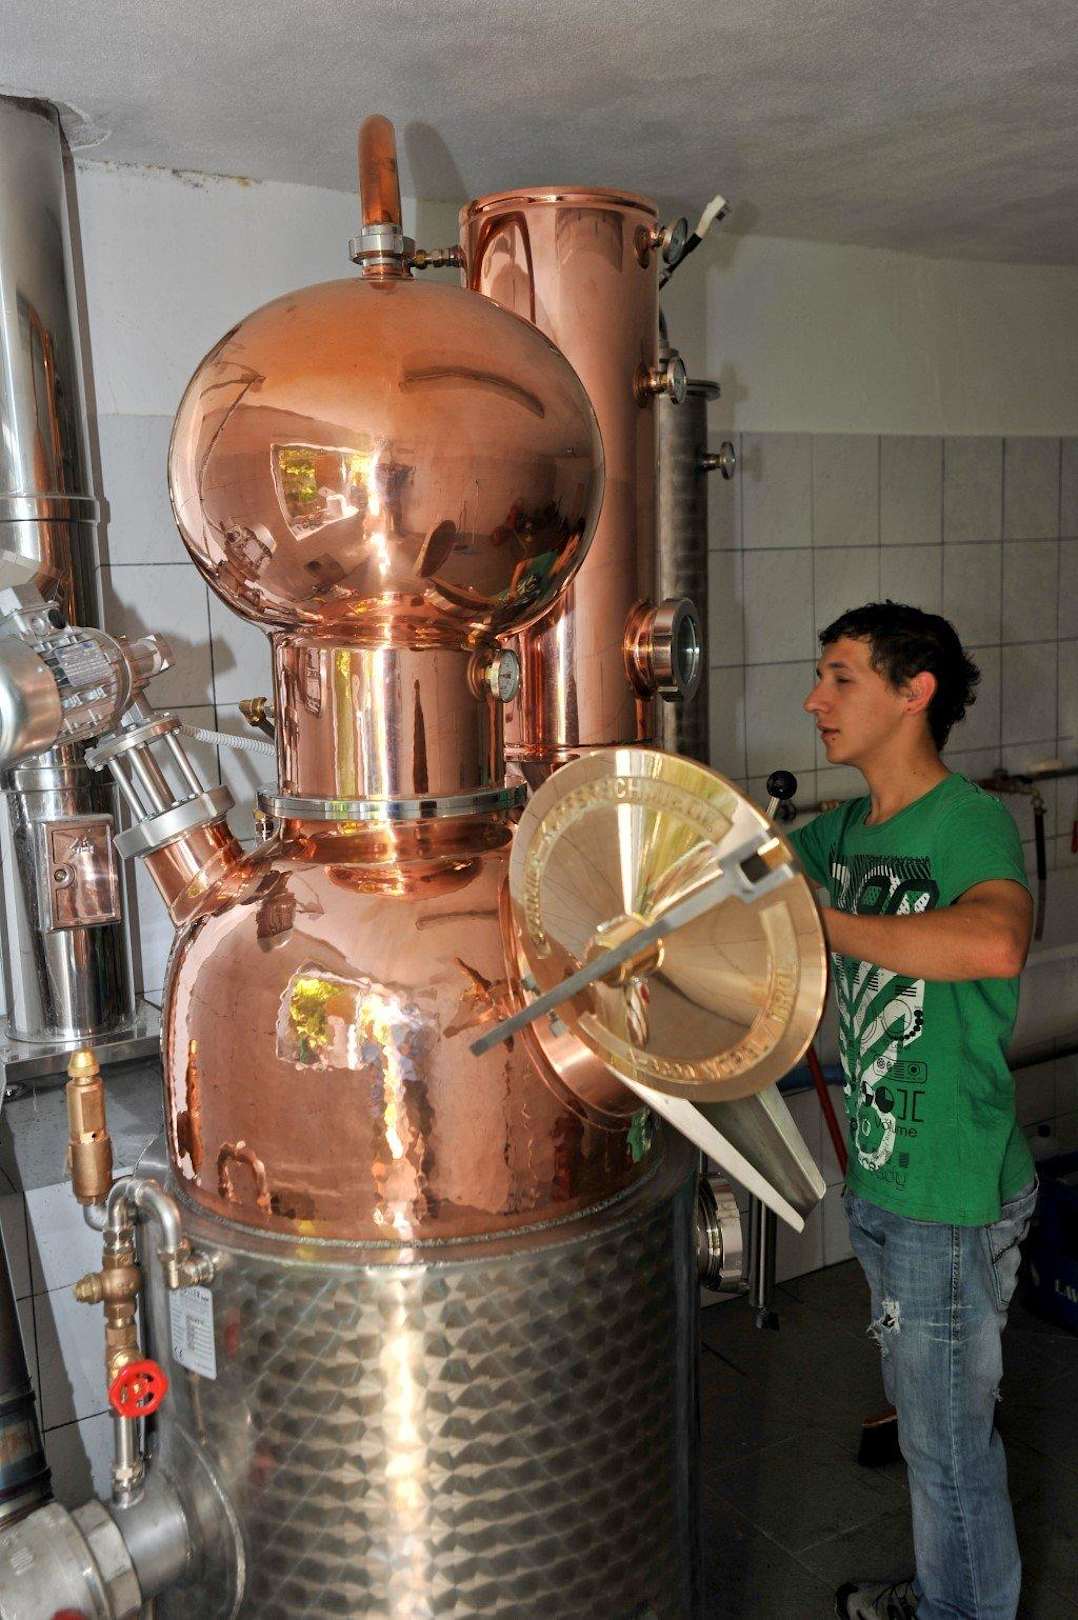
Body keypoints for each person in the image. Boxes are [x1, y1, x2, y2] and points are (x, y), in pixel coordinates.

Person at [786, 602, 1037, 1620]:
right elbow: (746, 881)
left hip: (950, 1189)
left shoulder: (967, 820)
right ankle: (948, 1592)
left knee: (945, 1445)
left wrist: (829, 926)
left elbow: (994, 943)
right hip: (888, 1183)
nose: (816, 699)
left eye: (841, 677)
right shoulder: (845, 832)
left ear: (913, 692)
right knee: (926, 1419)